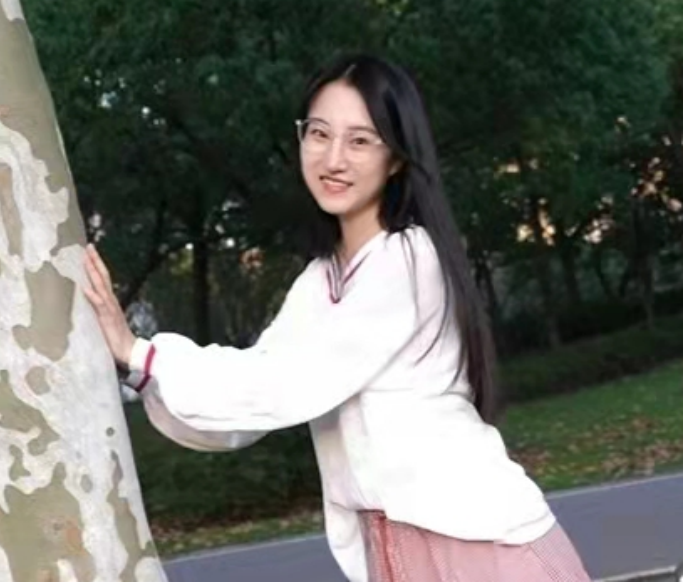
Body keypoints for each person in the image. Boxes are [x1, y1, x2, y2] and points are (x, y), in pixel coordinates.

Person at [82, 52, 591, 582]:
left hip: (477, 546)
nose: (334, 158)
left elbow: (287, 384)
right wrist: (139, 369)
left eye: (360, 140)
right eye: (319, 133)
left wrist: (141, 352)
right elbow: (252, 407)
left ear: (396, 158)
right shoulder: (320, 280)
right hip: (396, 549)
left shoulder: (408, 258)